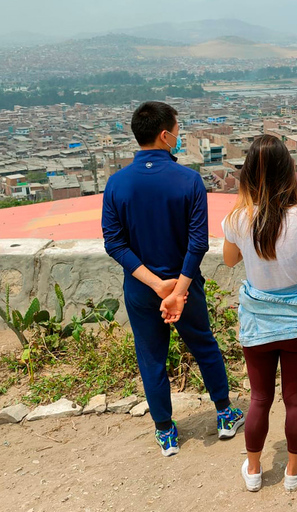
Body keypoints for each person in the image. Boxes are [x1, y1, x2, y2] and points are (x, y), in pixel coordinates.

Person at [102, 101, 243, 457]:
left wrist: (155, 285)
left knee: (152, 357)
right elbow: (198, 242)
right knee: (204, 346)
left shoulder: (117, 184)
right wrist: (177, 290)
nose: (178, 137)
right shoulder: (189, 180)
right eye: (177, 132)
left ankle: (166, 432)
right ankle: (225, 414)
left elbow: (113, 242)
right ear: (165, 135)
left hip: (140, 288)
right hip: (185, 285)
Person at [221, 134, 297, 493]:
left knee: (258, 399)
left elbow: (229, 260)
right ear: (289, 172)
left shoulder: (238, 219)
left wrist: (245, 218)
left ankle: (254, 471)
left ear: (248, 176)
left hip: (257, 321)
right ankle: (290, 472)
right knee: (296, 399)